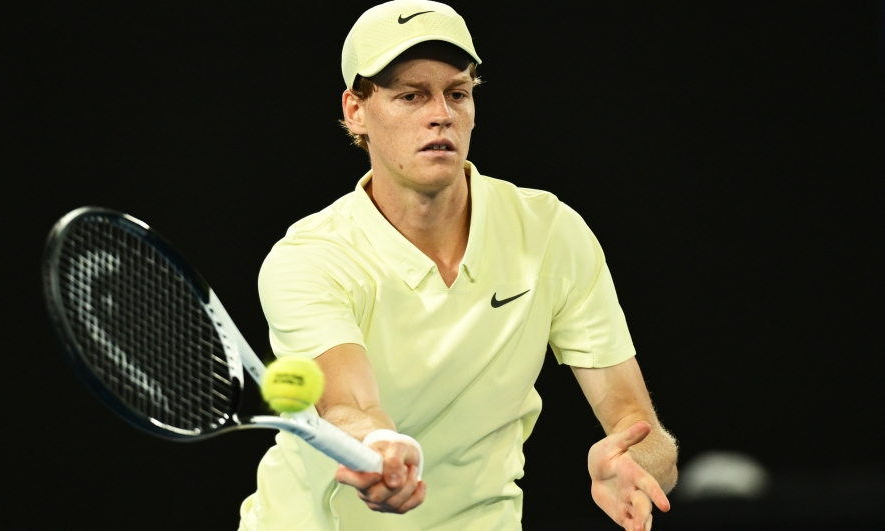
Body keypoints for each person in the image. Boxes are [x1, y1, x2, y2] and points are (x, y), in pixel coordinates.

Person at [238, 1, 678, 530]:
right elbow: (349, 405)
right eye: (410, 95)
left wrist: (636, 461)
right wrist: (378, 448)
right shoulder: (310, 259)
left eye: (457, 93)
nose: (441, 113)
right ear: (356, 110)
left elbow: (639, 429)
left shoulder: (549, 232)